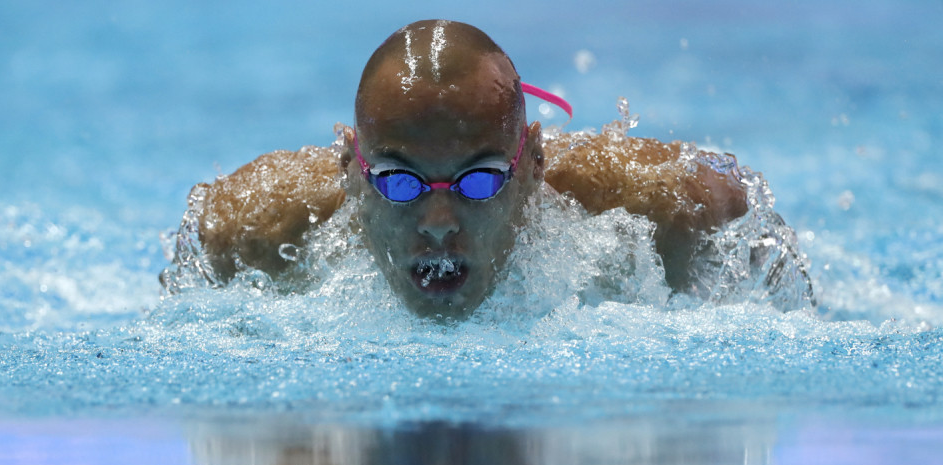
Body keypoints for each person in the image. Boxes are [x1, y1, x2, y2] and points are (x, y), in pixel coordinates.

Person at [173, 19, 796, 319]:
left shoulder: (664, 210)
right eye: (397, 181)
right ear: (349, 170)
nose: (439, 222)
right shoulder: (247, 231)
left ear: (533, 168)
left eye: (479, 180)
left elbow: (743, 215)